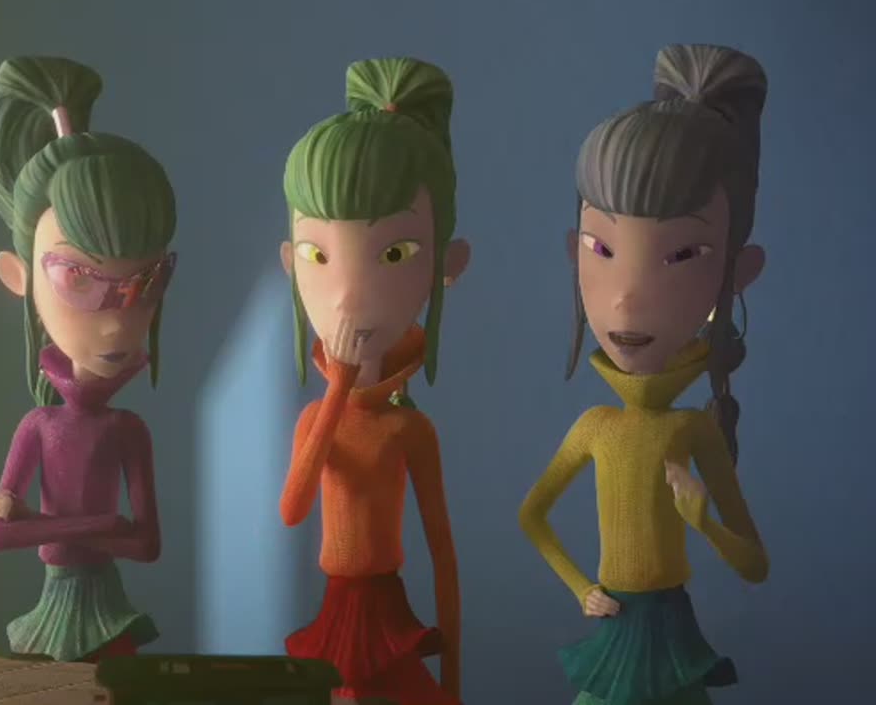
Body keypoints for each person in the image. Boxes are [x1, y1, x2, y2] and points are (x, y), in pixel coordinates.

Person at [519, 44, 771, 705]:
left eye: (682, 254)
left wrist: (703, 519)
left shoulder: (694, 431)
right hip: (615, 625)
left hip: (671, 635)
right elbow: (532, 515)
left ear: (735, 275)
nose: (627, 302)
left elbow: (754, 563)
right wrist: (582, 587)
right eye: (601, 247)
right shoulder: (595, 426)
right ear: (574, 253)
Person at [278, 57, 472, 705]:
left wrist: (454, 678)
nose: (348, 296)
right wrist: (336, 388)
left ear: (445, 266)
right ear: (291, 262)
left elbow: (443, 551)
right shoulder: (317, 419)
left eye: (394, 253)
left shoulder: (410, 429)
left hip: (390, 606)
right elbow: (293, 509)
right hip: (340, 607)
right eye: (318, 254)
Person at [0, 55, 175, 663]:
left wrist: (54, 524)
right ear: (19, 277)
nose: (116, 323)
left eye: (147, 283)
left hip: (110, 612)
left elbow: (146, 544)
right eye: (77, 278)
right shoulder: (39, 425)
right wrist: (95, 524)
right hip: (49, 613)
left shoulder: (128, 429)